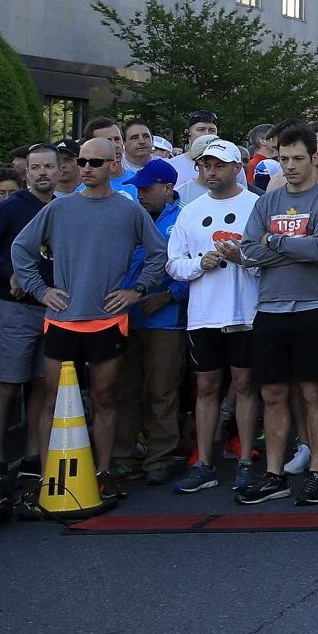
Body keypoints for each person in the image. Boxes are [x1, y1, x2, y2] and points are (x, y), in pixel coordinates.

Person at [10, 136, 170, 484]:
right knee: (53, 399)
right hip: (63, 319)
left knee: (104, 398)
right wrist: (40, 290)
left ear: (114, 165)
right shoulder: (60, 207)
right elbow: (21, 249)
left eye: (94, 163)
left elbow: (159, 254)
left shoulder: (128, 209)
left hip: (107, 320)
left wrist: (136, 290)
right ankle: (47, 475)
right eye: (81, 162)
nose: (85, 168)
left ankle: (102, 472)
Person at [235, 125, 318, 506]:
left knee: (314, 391)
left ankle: (317, 472)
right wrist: (291, 246)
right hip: (269, 308)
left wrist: (275, 242)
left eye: (298, 158)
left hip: (313, 307)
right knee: (271, 392)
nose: (291, 166)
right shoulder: (266, 202)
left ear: (313, 156)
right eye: (284, 159)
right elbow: (248, 250)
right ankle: (275, 474)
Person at [167, 140, 262, 495]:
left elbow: (269, 257)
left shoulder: (256, 205)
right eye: (205, 165)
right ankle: (204, 462)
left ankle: (245, 462)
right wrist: (198, 264)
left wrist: (243, 258)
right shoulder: (190, 210)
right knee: (205, 387)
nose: (211, 171)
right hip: (204, 314)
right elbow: (173, 262)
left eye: (219, 165)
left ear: (237, 167)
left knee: (245, 385)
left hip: (245, 312)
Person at [0, 143, 61, 475]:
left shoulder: (66, 207)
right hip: (16, 310)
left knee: (42, 385)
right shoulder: (11, 207)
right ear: (26, 172)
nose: (43, 173)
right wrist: (10, 271)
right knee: (7, 383)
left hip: (56, 309)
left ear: (60, 171)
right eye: (36, 167)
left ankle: (34, 456)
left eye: (49, 166)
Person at [116, 159, 186, 483]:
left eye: (146, 189)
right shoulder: (130, 215)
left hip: (166, 318)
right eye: (138, 189)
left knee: (162, 390)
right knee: (126, 390)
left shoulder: (186, 217)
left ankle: (159, 458)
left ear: (168, 188)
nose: (140, 194)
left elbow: (198, 265)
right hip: (127, 315)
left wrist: (170, 295)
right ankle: (123, 454)